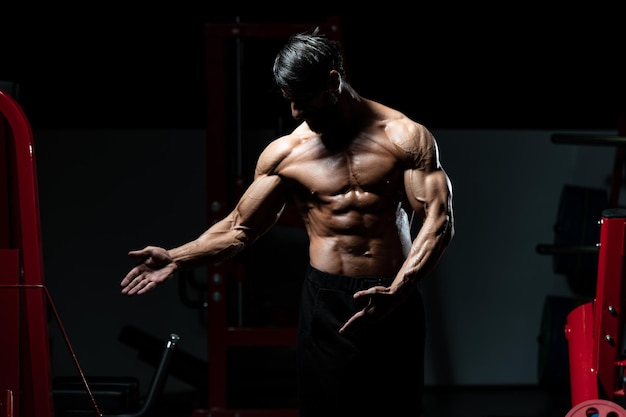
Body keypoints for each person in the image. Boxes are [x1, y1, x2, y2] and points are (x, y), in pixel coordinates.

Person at [120, 27, 454, 417]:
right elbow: (239, 228)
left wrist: (399, 289)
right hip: (327, 300)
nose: (295, 113)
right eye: (289, 102)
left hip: (394, 293)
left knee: (395, 408)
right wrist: (178, 257)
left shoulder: (405, 137)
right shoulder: (286, 155)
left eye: (304, 100)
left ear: (333, 81)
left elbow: (438, 220)